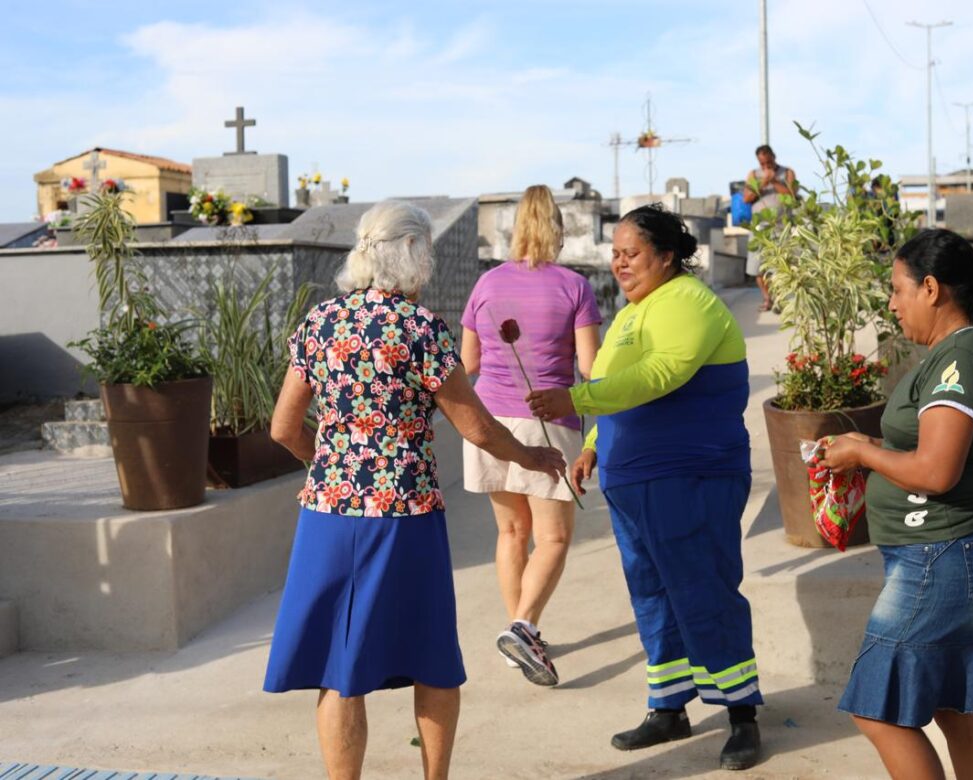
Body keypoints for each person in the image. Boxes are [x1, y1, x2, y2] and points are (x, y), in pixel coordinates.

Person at [263, 200, 566, 780]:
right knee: (431, 661)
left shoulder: (322, 322)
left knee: (337, 668)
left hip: (328, 515)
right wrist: (531, 455)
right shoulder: (419, 328)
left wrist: (325, 463)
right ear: (412, 255)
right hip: (405, 514)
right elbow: (474, 425)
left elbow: (282, 427)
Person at [526, 203, 763, 771]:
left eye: (631, 254)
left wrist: (576, 401)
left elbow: (663, 375)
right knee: (652, 595)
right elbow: (615, 387)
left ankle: (741, 714)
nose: (619, 264)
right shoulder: (633, 313)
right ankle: (669, 706)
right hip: (633, 479)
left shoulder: (690, 302)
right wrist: (591, 447)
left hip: (692, 473)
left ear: (667, 255)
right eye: (615, 254)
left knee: (703, 587)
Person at [820, 228, 973, 780]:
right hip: (952, 552)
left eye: (897, 289)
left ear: (931, 288)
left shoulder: (961, 361)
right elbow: (927, 450)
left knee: (877, 710)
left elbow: (937, 470)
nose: (892, 304)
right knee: (955, 707)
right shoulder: (960, 353)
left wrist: (865, 452)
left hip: (941, 557)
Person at [460, 184, 601, 687]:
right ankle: (523, 626)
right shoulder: (575, 286)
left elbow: (469, 363)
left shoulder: (486, 284)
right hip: (548, 422)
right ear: (559, 230)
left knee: (511, 533)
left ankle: (518, 634)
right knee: (555, 537)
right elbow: (589, 368)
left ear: (515, 228)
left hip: (491, 421)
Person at [742, 143, 795, 312]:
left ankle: (780, 300)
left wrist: (774, 180)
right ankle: (767, 299)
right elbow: (747, 198)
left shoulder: (787, 172)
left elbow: (792, 195)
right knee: (758, 267)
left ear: (774, 157)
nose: (765, 166)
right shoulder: (753, 174)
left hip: (781, 226)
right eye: (762, 163)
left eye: (768, 163)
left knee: (780, 266)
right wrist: (764, 182)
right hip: (759, 226)